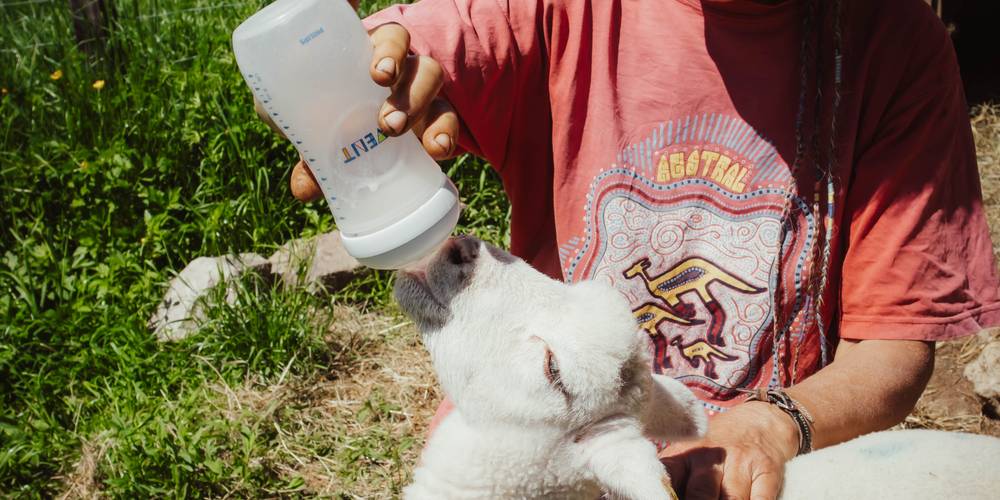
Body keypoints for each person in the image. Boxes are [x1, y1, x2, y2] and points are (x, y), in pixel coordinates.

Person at [259, 0, 1000, 498]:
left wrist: (769, 424)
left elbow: (894, 345)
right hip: (541, 439)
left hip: (748, 461)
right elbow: (419, 41)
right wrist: (355, 73)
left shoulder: (891, 43)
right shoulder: (564, 11)